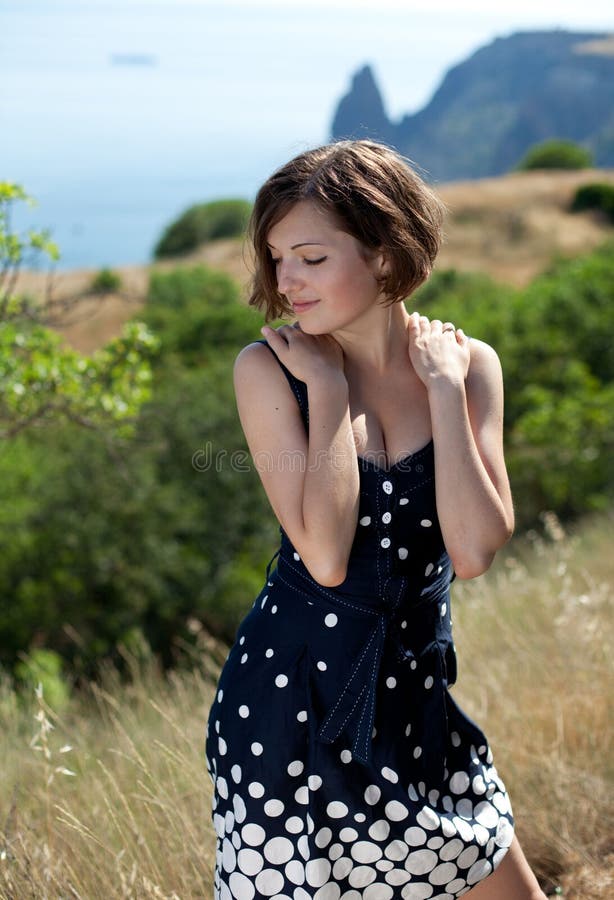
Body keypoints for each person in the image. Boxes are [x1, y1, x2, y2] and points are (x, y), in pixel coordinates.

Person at [205, 140, 546, 900]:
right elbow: (324, 555)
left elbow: (476, 548)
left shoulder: (468, 365)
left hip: (416, 698)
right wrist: (326, 393)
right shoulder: (267, 372)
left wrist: (446, 394)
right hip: (291, 711)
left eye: (311, 258)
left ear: (387, 254)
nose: (285, 281)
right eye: (276, 258)